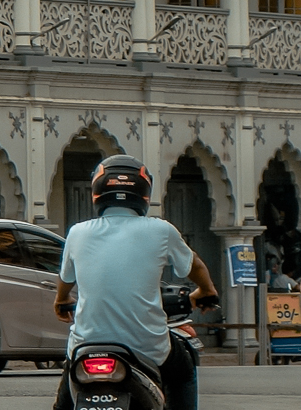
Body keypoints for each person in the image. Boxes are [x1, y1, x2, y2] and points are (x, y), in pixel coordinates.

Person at [55, 155, 220, 410]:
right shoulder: (161, 230)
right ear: (144, 193)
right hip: (148, 347)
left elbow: (66, 280)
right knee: (184, 370)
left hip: (87, 345)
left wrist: (62, 300)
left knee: (67, 385)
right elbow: (194, 265)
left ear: (97, 191)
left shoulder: (78, 232)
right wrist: (207, 291)